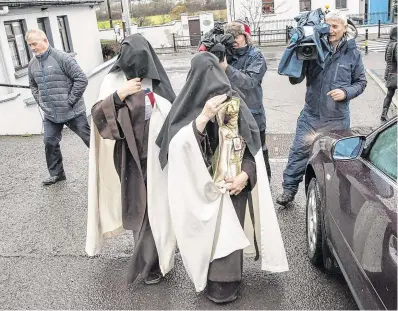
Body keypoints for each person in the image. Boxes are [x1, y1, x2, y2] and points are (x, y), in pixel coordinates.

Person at [156, 52, 288, 303]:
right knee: (206, 236)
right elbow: (175, 149)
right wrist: (202, 119)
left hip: (232, 188)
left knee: (228, 235)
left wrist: (245, 176)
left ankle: (227, 279)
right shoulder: (185, 109)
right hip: (198, 190)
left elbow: (252, 151)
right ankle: (208, 274)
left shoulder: (234, 104)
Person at [85, 34, 176, 286]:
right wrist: (118, 95)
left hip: (157, 157)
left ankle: (157, 257)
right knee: (140, 207)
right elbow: (97, 116)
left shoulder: (157, 80)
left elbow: (174, 113)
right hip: (128, 157)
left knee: (158, 207)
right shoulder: (113, 80)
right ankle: (150, 263)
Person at [276, 10, 367, 206]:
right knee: (298, 153)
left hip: (338, 119)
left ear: (345, 28)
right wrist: (297, 56)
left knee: (342, 160)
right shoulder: (314, 45)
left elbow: (360, 82)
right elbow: (295, 79)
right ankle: (289, 190)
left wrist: (346, 92)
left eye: (336, 26)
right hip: (311, 115)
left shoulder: (353, 53)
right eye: (329, 25)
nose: (331, 30)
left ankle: (344, 200)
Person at [26, 29, 90, 186]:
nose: (33, 48)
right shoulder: (32, 64)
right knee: (49, 142)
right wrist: (41, 101)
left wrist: (70, 101)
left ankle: (108, 166)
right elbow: (33, 85)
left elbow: (81, 79)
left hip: (73, 111)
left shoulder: (62, 58)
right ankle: (57, 174)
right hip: (50, 114)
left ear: (45, 41)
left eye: (35, 43)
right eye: (29, 45)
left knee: (90, 140)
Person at [220, 21, 272, 181]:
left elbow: (250, 81)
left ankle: (264, 185)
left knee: (257, 152)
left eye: (237, 36)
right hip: (230, 113)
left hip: (253, 113)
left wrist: (227, 68)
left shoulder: (255, 55)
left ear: (245, 36)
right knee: (232, 151)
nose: (234, 40)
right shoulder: (225, 54)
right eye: (230, 37)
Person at [381, 26, 397, 122]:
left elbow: (386, 59)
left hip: (389, 73)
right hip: (396, 73)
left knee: (389, 94)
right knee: (390, 94)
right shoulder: (396, 45)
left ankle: (384, 113)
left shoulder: (389, 44)